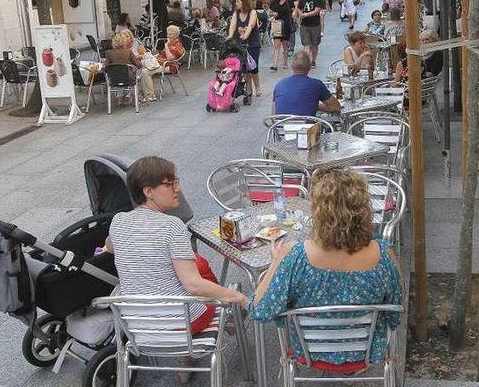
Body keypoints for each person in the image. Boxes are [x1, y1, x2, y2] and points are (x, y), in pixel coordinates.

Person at [249, 168, 402, 368]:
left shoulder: (295, 256)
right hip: (368, 351)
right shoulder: (384, 254)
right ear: (363, 208)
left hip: (308, 351)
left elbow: (259, 310)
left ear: (317, 211)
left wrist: (275, 261)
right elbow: (395, 310)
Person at [109, 156, 248, 343]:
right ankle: (226, 310)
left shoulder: (118, 221)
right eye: (169, 184)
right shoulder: (172, 226)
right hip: (181, 323)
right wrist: (238, 297)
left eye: (176, 182)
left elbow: (109, 246)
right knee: (198, 266)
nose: (178, 189)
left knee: (194, 262)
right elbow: (193, 285)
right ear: (149, 191)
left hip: (136, 324)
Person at [272, 50, 340, 116]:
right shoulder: (316, 85)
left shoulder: (279, 85)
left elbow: (273, 115)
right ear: (310, 67)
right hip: (308, 126)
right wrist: (315, 106)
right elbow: (336, 107)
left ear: (292, 67)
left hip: (281, 126)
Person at [228, 0, 261, 103]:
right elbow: (232, 26)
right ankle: (248, 89)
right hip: (240, 44)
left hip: (252, 43)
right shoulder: (236, 14)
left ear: (244, 2)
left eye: (238, 1)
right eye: (235, 1)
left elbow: (251, 25)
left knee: (253, 68)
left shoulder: (253, 12)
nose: (236, 3)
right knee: (245, 69)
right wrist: (229, 36)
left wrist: (246, 35)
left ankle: (257, 87)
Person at [296, 0, 325, 68]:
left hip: (315, 25)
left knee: (314, 45)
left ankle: (313, 60)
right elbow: (299, 8)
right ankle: (307, 62)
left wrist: (306, 15)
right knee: (306, 45)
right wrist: (299, 13)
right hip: (304, 25)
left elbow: (317, 11)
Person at [270, 0, 294, 70]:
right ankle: (275, 64)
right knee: (276, 45)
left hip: (286, 25)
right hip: (277, 25)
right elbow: (270, 11)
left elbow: (293, 9)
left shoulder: (288, 1)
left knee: (285, 46)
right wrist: (273, 14)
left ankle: (285, 62)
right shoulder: (274, 3)